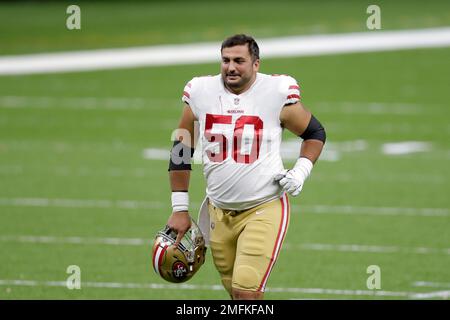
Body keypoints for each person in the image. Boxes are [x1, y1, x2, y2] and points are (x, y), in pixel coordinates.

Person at [166, 34, 326, 300]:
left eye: (239, 60)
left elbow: (315, 132)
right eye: (225, 60)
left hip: (263, 207)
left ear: (256, 64)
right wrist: (179, 208)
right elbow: (181, 150)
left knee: (245, 293)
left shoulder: (276, 92)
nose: (231, 67)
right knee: (238, 294)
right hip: (218, 212)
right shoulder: (200, 92)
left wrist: (301, 171)